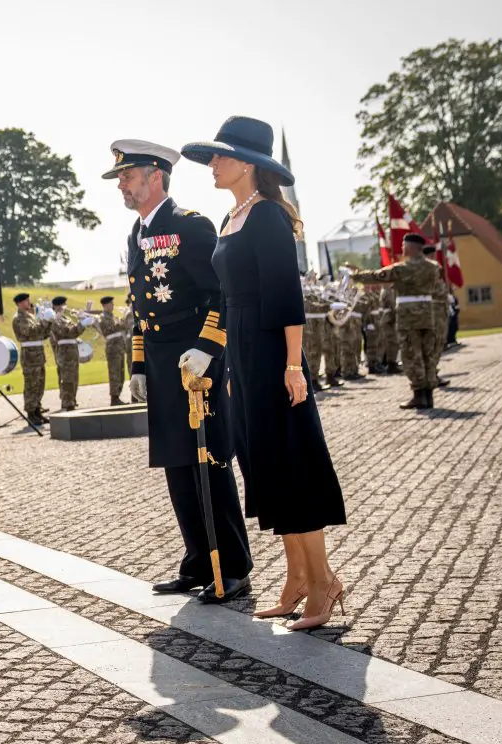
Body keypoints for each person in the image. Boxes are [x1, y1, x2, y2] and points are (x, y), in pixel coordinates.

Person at [183, 117, 347, 628]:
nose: (212, 164)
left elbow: (286, 296)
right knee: (266, 467)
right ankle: (296, 576)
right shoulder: (233, 215)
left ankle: (323, 583)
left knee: (293, 466)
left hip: (274, 353)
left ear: (247, 163)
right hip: (244, 355)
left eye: (220, 156)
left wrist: (293, 365)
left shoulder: (269, 217)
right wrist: (230, 363)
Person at [105, 138, 253, 603]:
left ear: (156, 176)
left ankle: (230, 566)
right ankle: (196, 560)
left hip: (196, 364)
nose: (122, 186)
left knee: (209, 463)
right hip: (162, 359)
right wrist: (139, 365)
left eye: (127, 177)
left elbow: (219, 294)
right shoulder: (137, 232)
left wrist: (208, 348)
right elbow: (140, 308)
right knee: (176, 461)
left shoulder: (191, 226)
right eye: (121, 179)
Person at [354, 234, 442, 409]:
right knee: (427, 355)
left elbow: (377, 276)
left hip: (408, 316)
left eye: (403, 245)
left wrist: (355, 276)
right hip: (427, 314)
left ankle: (419, 394)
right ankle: (428, 395)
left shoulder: (404, 268)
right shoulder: (433, 267)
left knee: (411, 354)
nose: (402, 248)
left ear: (410, 247)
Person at [10, 292, 52, 425]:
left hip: (38, 354)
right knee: (31, 385)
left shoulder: (30, 316)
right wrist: (44, 321)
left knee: (39, 384)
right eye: (26, 301)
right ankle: (30, 413)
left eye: (28, 301)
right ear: (20, 303)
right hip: (29, 355)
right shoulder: (19, 318)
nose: (29, 303)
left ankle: (37, 410)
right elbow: (31, 332)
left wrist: (49, 322)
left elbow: (42, 334)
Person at [48, 297, 86, 412]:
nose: (64, 307)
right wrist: (82, 324)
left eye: (64, 305)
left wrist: (81, 323)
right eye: (62, 305)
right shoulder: (54, 319)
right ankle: (67, 401)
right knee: (67, 377)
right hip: (64, 352)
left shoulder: (64, 318)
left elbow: (73, 333)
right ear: (56, 306)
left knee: (74, 377)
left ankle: (71, 399)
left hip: (71, 351)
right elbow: (68, 332)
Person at [424, 244, 450, 388]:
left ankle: (433, 373)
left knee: (439, 344)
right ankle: (430, 375)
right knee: (432, 345)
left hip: (441, 313)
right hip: (433, 313)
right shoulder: (425, 274)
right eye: (432, 256)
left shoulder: (434, 273)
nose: (435, 259)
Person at [96, 296, 128, 405]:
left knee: (120, 372)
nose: (113, 305)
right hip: (113, 347)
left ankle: (117, 395)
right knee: (114, 372)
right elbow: (109, 329)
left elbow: (123, 327)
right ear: (105, 305)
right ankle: (114, 397)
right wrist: (123, 319)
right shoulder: (103, 317)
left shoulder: (112, 316)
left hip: (118, 347)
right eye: (111, 304)